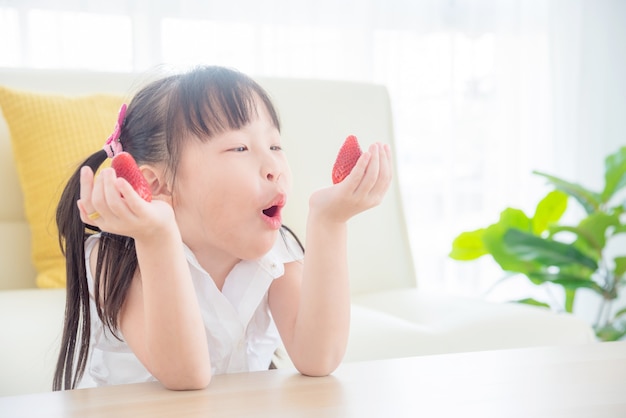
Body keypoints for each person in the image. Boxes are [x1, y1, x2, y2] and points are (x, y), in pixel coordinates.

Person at [53, 65, 392, 391]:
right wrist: (158, 236)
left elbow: (319, 357)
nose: (274, 165)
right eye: (240, 147)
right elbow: (185, 376)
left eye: (275, 146)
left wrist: (329, 221)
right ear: (158, 185)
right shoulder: (113, 257)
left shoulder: (277, 251)